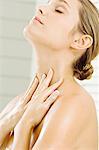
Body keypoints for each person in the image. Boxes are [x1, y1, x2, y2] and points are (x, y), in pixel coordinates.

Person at [0, 0, 99, 149]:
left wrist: (24, 125)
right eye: (47, 4)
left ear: (80, 41)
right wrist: (7, 121)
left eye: (59, 10)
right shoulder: (17, 106)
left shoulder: (75, 105)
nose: (41, 8)